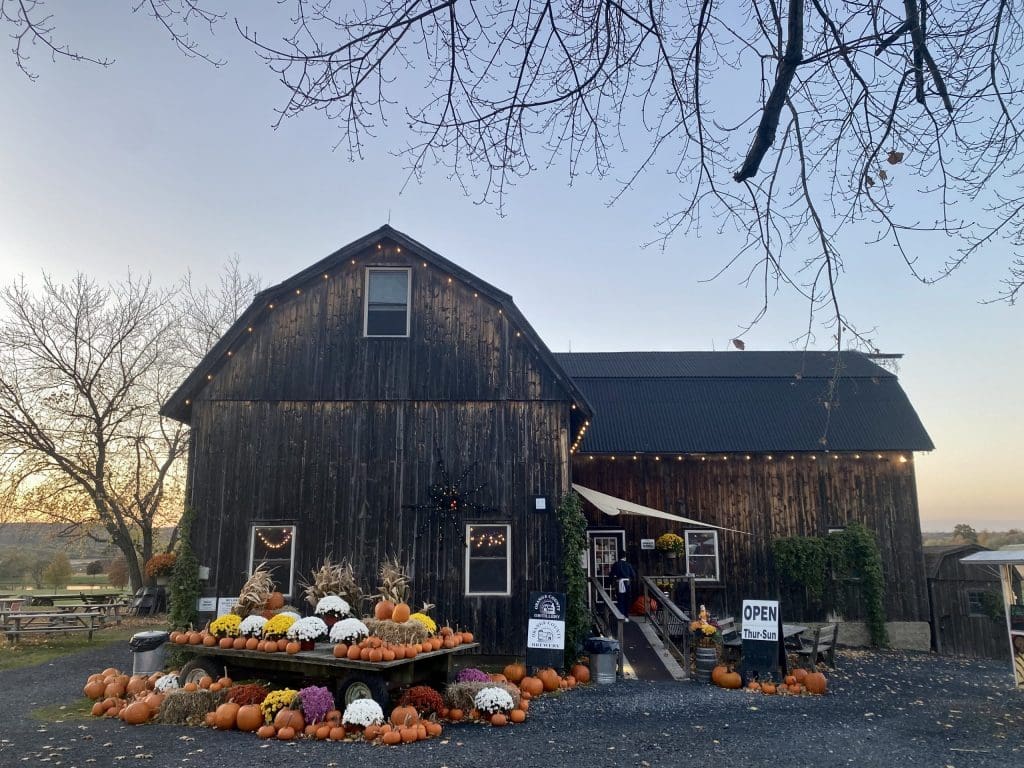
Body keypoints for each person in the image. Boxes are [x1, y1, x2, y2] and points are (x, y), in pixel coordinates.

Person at [608, 552, 637, 621]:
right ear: (625, 557)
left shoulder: (616, 564)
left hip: (619, 583)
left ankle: (621, 615)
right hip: (627, 583)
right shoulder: (628, 564)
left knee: (620, 599)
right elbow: (633, 575)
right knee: (627, 599)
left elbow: (611, 575)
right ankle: (626, 616)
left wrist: (611, 583)